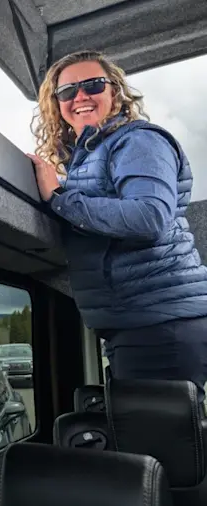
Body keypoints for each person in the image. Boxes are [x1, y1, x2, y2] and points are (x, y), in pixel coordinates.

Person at [26, 49, 207, 406]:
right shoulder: (92, 154)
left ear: (115, 92)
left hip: (159, 326)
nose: (80, 96)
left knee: (162, 453)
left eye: (92, 84)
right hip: (141, 323)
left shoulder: (137, 141)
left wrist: (60, 197)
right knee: (156, 447)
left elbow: (148, 217)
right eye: (67, 91)